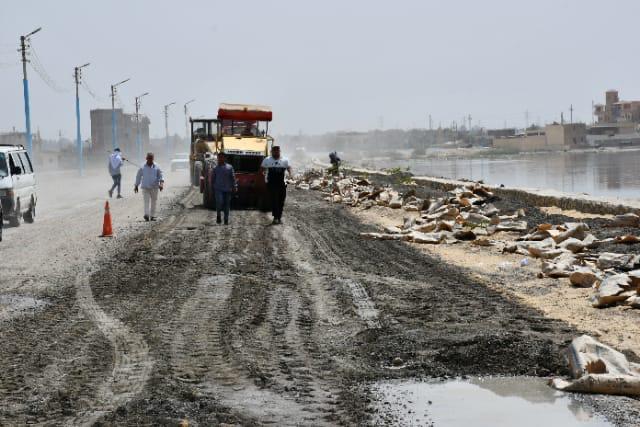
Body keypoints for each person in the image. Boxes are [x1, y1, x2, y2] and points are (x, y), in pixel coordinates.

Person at [260, 146, 291, 225]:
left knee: (281, 201)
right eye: (274, 151)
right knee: (274, 200)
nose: (276, 152)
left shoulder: (284, 160)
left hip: (281, 183)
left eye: (278, 151)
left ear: (280, 151)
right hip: (271, 183)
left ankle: (279, 217)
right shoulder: (267, 160)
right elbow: (262, 168)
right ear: (272, 152)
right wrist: (263, 174)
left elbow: (289, 167)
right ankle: (275, 217)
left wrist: (290, 174)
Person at [134, 152, 164, 221]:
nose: (150, 160)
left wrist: (161, 184)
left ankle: (152, 216)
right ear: (146, 158)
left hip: (154, 187)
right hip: (145, 187)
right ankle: (146, 215)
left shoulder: (157, 166)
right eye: (149, 158)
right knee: (146, 201)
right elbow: (138, 176)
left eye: (151, 158)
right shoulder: (142, 167)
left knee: (154, 201)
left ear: (153, 159)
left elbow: (161, 176)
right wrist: (136, 185)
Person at [211, 152, 237, 225]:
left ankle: (226, 219)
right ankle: (218, 215)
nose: (220, 159)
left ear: (225, 158)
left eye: (222, 157)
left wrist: (234, 186)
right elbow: (212, 179)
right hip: (218, 189)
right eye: (219, 158)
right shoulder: (215, 168)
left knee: (227, 204)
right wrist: (212, 188)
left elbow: (233, 178)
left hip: (227, 189)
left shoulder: (229, 167)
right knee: (219, 202)